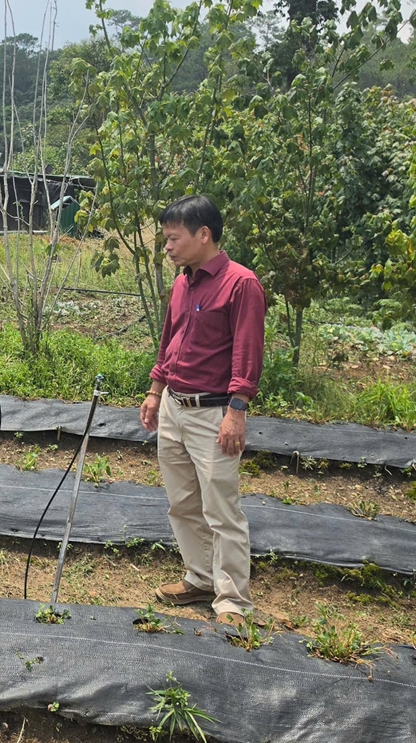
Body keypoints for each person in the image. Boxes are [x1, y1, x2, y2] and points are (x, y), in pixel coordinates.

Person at [138, 194, 266, 628]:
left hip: (213, 414)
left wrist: (236, 411)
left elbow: (247, 355)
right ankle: (199, 578)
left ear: (204, 235)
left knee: (221, 508)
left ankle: (232, 600)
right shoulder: (182, 282)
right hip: (175, 405)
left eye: (173, 239)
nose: (167, 247)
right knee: (183, 502)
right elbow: (169, 340)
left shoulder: (240, 284)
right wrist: (156, 391)